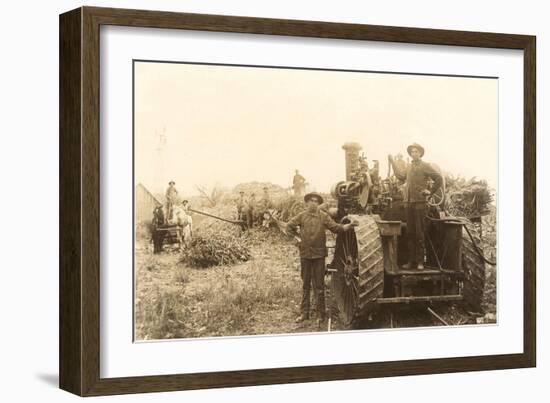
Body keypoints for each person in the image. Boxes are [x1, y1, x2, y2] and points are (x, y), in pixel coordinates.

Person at [286, 192, 357, 327]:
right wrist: (297, 240)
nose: (313, 203)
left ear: (318, 204)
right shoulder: (301, 216)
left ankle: (321, 315)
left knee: (319, 286)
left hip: (319, 256)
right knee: (306, 285)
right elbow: (289, 227)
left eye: (316, 201)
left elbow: (336, 228)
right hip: (305, 255)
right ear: (307, 203)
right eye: (311, 201)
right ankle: (304, 313)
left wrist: (349, 226)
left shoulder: (323, 216)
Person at [390, 143, 442, 270]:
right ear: (411, 154)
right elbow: (401, 176)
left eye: (416, 151)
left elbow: (439, 178)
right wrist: (392, 162)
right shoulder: (409, 167)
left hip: (420, 204)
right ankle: (411, 261)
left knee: (419, 233)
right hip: (408, 204)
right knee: (410, 233)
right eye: (412, 152)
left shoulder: (425, 166)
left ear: (420, 153)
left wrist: (430, 191)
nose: (414, 153)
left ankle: (420, 262)